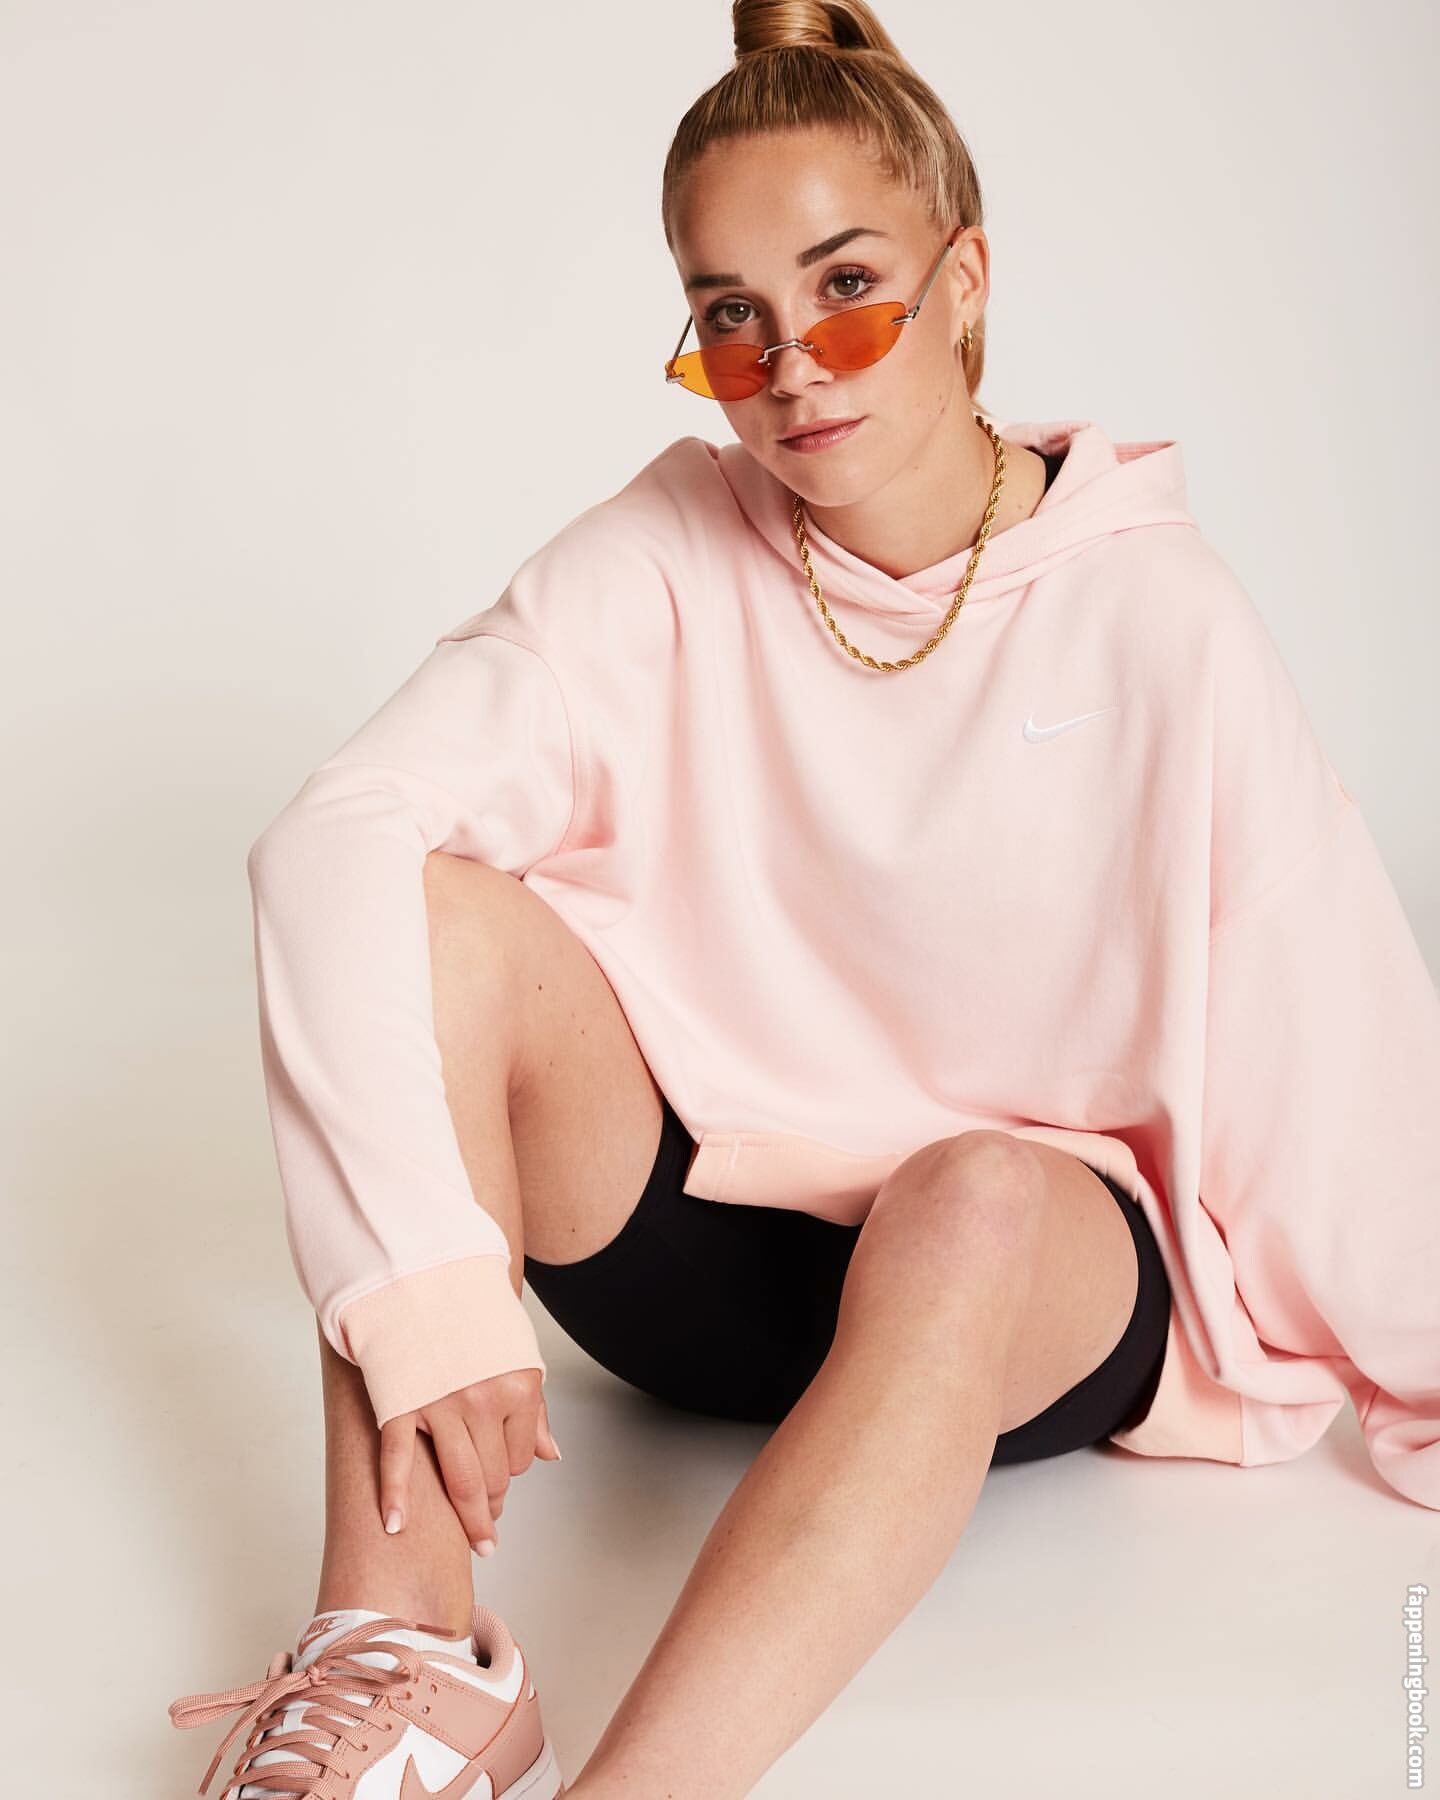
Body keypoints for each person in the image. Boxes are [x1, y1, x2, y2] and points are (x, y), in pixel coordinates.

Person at [167, 2, 1440, 1795]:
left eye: (846, 289)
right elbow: (333, 835)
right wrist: (424, 1289)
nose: (792, 369)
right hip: (707, 1257)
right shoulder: (668, 549)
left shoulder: (1158, 612)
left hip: (1015, 1288)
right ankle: (407, 1655)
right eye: (731, 318)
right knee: (434, 909)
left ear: (964, 279)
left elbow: (1327, 1017)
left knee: (971, 1192)